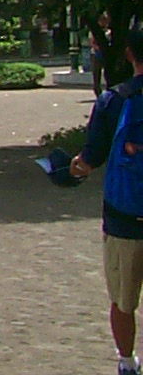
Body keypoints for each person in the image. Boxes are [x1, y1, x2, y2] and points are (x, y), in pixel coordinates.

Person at [72, 28, 143, 375]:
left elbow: (90, 159)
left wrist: (71, 167)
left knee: (123, 300)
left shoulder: (114, 101)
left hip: (124, 217)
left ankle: (127, 362)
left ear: (129, 54)